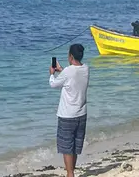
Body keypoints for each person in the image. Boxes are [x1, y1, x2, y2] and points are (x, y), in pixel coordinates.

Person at [49, 43, 89, 177]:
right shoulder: (86, 69)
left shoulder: (68, 72)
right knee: (75, 146)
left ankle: (70, 174)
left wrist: (52, 74)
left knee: (67, 147)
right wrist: (62, 71)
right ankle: (72, 172)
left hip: (67, 115)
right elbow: (73, 76)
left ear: (70, 56)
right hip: (81, 114)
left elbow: (53, 84)